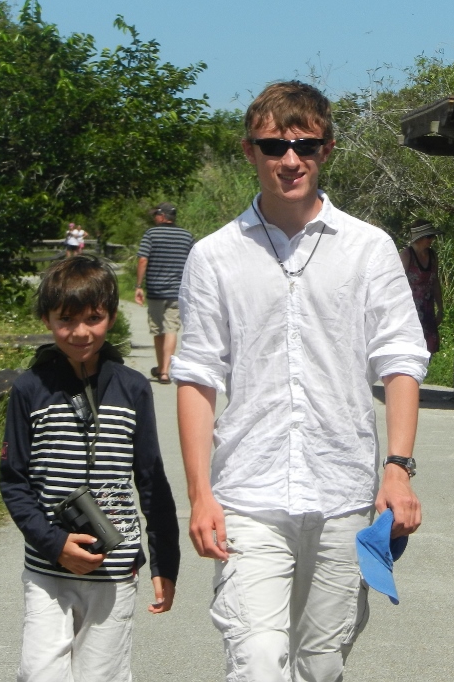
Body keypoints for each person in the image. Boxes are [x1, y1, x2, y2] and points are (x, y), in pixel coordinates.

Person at [172, 80, 429, 682]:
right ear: (249, 152)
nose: (290, 161)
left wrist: (397, 469)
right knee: (258, 660)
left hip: (343, 492)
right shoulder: (214, 255)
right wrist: (200, 494)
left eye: (305, 146)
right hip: (249, 493)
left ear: (327, 150)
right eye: (273, 147)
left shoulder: (369, 248)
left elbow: (400, 361)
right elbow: (197, 377)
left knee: (320, 661)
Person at [0, 254, 180, 682]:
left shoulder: (132, 387)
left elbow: (152, 480)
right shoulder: (30, 388)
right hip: (48, 567)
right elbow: (14, 481)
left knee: (102, 674)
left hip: (113, 569)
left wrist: (164, 563)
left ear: (112, 317)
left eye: (94, 318)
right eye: (66, 320)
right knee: (40, 672)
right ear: (47, 319)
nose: (80, 332)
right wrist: (53, 542)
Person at [134, 202, 194, 384]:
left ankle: (162, 369)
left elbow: (143, 260)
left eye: (156, 215)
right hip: (177, 291)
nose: (154, 218)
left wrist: (138, 285)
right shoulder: (187, 236)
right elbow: (194, 261)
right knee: (171, 328)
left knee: (158, 330)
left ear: (162, 216)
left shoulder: (151, 234)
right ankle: (164, 371)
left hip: (155, 290)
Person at [400, 219, 443, 354]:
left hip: (428, 310)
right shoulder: (406, 255)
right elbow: (397, 284)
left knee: (429, 347)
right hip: (410, 311)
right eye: (429, 236)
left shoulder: (432, 255)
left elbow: (435, 282)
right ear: (419, 238)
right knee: (410, 349)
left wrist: (440, 308)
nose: (432, 240)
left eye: (433, 236)